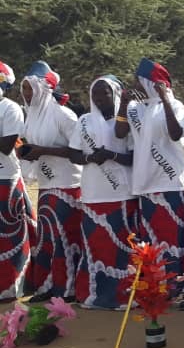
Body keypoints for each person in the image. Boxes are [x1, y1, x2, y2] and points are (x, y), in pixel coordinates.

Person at [115, 58, 184, 308]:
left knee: (178, 238)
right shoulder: (134, 108)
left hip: (172, 182)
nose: (134, 84)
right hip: (146, 183)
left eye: (138, 80)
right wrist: (123, 103)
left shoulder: (175, 104)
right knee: (153, 242)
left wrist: (164, 100)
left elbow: (176, 134)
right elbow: (120, 134)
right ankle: (160, 287)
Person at [70, 76, 137, 309]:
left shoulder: (127, 121)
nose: (99, 98)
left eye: (105, 93)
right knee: (97, 246)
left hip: (122, 193)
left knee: (123, 247)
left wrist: (111, 155)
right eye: (96, 93)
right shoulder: (84, 121)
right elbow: (74, 154)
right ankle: (98, 295)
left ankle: (124, 295)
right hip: (92, 193)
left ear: (116, 94)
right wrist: (91, 158)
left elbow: (134, 158)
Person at [20, 61, 83, 304]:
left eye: (30, 88)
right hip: (47, 184)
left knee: (65, 237)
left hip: (68, 184)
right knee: (50, 238)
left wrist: (43, 150)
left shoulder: (63, 114)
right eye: (24, 89)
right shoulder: (32, 115)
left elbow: (78, 151)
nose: (27, 94)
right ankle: (50, 285)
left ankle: (68, 288)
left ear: (43, 89)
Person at [0, 61, 35, 302]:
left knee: (11, 235)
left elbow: (6, 145)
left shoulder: (10, 109)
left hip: (6, 180)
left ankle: (13, 286)